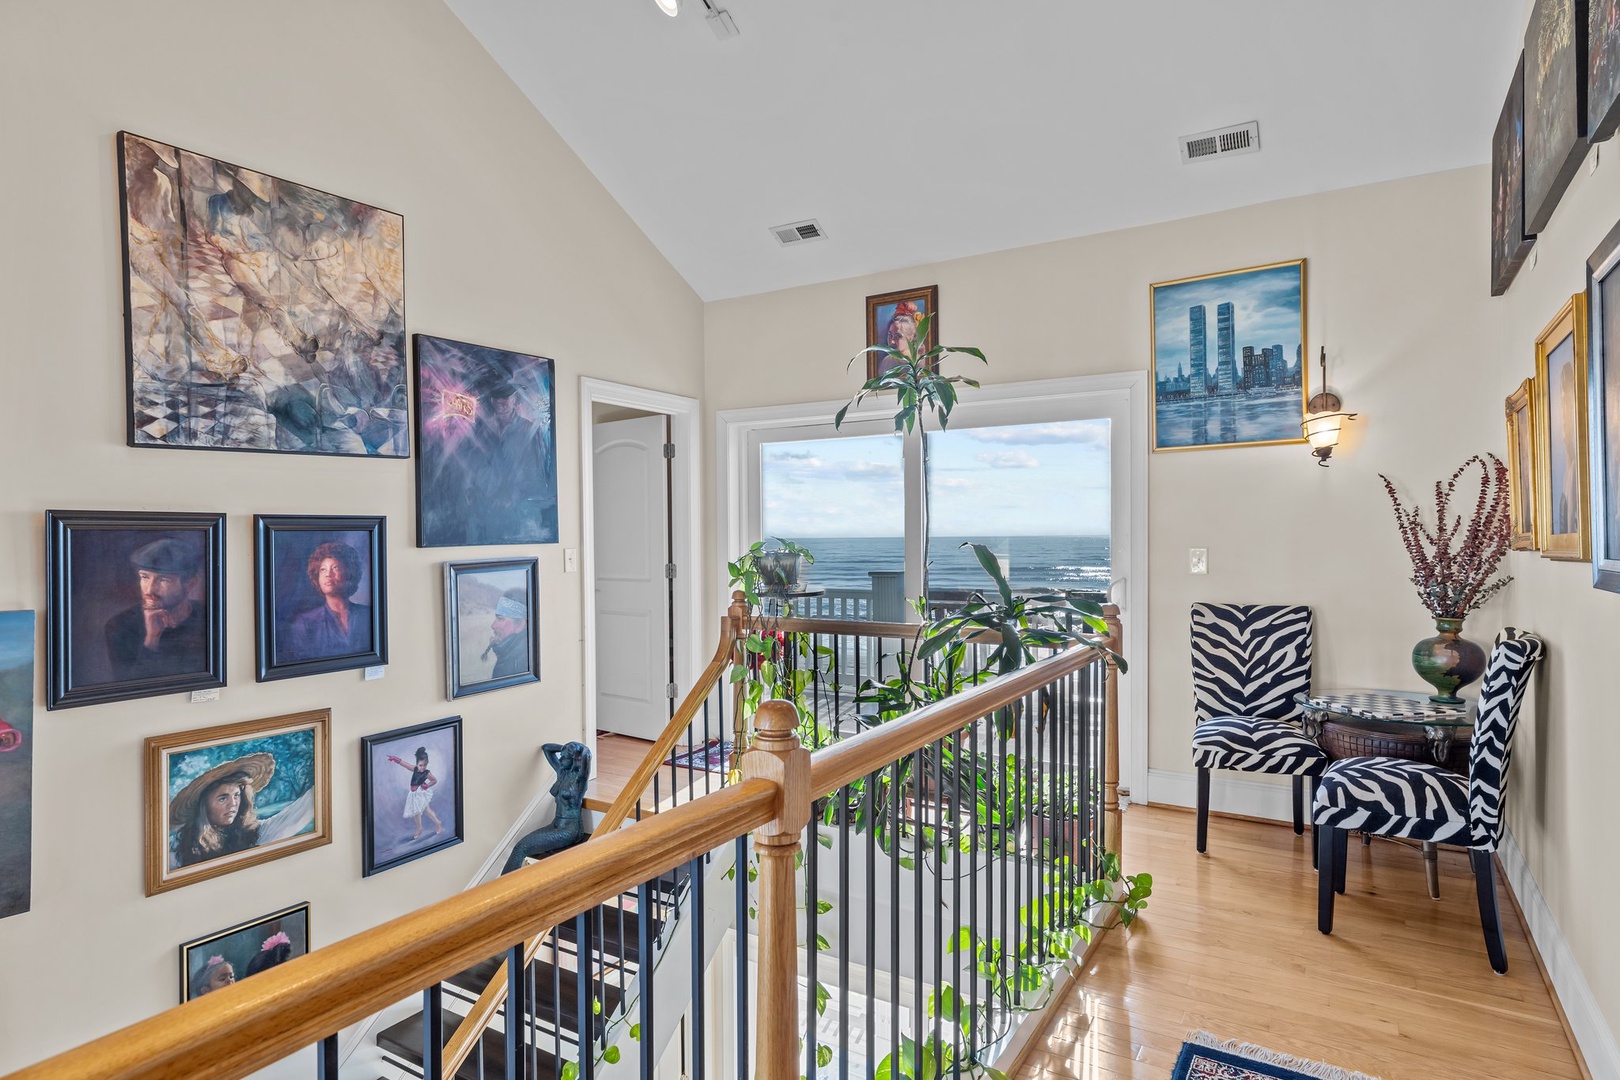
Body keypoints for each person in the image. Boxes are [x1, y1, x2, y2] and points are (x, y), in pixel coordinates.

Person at [168, 752, 316, 869]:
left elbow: (301, 811)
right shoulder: (179, 853)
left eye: (237, 795)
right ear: (203, 807)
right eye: (223, 798)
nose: (233, 804)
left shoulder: (256, 834)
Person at [103, 537, 207, 681]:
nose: (150, 590)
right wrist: (151, 639)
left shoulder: (209, 617)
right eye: (145, 577)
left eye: (163, 580)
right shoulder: (120, 626)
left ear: (189, 585)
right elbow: (130, 688)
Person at [283, 541, 371, 662]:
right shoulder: (304, 623)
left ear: (349, 573)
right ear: (317, 577)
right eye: (322, 570)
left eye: (335, 568)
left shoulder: (367, 615)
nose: (328, 575)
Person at [385, 746, 443, 841]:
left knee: (427, 810)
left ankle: (437, 823)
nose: (422, 767)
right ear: (417, 764)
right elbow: (404, 764)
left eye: (425, 765)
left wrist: (427, 786)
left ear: (427, 764)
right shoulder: (414, 769)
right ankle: (419, 829)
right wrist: (395, 759)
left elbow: (434, 780)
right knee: (416, 813)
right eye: (420, 765)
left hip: (420, 793)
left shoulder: (427, 773)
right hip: (413, 794)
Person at [482, 588, 530, 679]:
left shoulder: (519, 663)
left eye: (500, 618)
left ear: (520, 624)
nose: (493, 626)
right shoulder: (510, 654)